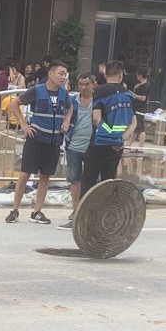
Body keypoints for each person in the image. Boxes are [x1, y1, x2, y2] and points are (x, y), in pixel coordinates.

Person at [7, 61, 74, 225]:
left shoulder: (64, 94)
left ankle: (37, 212)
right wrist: (23, 124)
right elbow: (15, 103)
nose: (63, 77)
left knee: (45, 176)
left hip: (53, 141)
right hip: (36, 138)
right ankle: (15, 210)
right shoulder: (37, 90)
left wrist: (66, 121)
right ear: (50, 74)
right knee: (25, 174)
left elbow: (70, 107)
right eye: (61, 73)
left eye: (65, 74)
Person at [86, 61, 136, 185]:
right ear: (120, 76)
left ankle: (87, 204)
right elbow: (133, 123)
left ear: (105, 75)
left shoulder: (100, 91)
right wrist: (119, 139)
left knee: (89, 180)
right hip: (117, 146)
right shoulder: (128, 94)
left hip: (99, 142)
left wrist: (109, 136)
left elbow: (96, 118)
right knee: (108, 182)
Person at [62, 72, 97, 223]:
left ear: (93, 84)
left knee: (92, 180)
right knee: (74, 179)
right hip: (74, 146)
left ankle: (90, 210)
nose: (83, 87)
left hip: (93, 147)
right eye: (80, 84)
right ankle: (76, 209)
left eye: (86, 84)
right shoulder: (71, 101)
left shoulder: (99, 102)